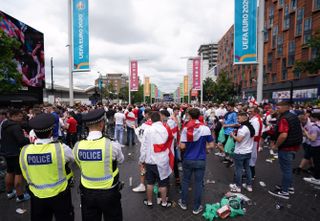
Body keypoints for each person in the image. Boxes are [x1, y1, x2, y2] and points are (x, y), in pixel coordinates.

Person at [19, 113, 74, 221]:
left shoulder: (24, 151)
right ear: (51, 131)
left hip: (36, 195)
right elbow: (72, 159)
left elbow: (25, 172)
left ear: (34, 132)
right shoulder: (61, 148)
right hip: (60, 194)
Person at [73, 109, 124, 221]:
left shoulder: (78, 146)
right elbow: (121, 160)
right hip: (109, 191)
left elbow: (79, 162)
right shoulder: (112, 145)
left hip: (87, 191)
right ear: (102, 124)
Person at [178, 108, 214, 215]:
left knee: (185, 181)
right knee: (198, 183)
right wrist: (205, 148)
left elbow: (182, 146)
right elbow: (212, 145)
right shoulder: (205, 128)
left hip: (188, 159)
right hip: (200, 159)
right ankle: (196, 207)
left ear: (189, 115)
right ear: (199, 116)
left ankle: (183, 203)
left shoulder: (185, 129)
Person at [268, 101, 303, 199]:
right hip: (293, 146)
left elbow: (283, 135)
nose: (277, 109)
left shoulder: (285, 118)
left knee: (286, 169)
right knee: (288, 168)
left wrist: (276, 145)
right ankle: (288, 186)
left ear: (286, 107)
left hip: (287, 147)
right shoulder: (293, 116)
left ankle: (284, 191)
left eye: (278, 107)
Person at [139, 111, 173, 208]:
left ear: (151, 119)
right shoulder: (166, 129)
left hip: (150, 160)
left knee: (150, 182)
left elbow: (144, 147)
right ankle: (164, 202)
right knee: (163, 183)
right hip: (162, 160)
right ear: (160, 118)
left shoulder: (148, 130)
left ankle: (149, 201)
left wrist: (142, 160)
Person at [0, 109, 30, 202]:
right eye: (20, 116)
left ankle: (9, 192)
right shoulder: (16, 127)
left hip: (6, 153)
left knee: (9, 171)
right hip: (15, 153)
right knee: (18, 173)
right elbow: (21, 141)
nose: (21, 118)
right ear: (14, 116)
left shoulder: (4, 124)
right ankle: (20, 196)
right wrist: (28, 139)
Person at [229, 112, 255, 193]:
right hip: (248, 151)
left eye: (238, 118)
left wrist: (232, 135)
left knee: (238, 169)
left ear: (244, 118)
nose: (237, 120)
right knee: (247, 168)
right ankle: (249, 185)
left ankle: (238, 186)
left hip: (240, 152)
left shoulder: (243, 128)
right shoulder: (250, 127)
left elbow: (239, 140)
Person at [132, 108, 152, 193]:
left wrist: (134, 128)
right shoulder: (159, 126)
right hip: (157, 152)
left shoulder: (145, 125)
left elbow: (140, 135)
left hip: (146, 151)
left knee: (142, 166)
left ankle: (142, 184)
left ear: (147, 114)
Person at [303, 110, 320, 185]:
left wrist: (306, 133)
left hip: (316, 146)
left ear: (315, 118)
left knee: (317, 162)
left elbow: (312, 139)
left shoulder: (314, 127)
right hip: (318, 145)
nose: (310, 118)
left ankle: (317, 178)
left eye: (311, 117)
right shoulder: (318, 125)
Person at [248, 107, 263, 179]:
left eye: (251, 111)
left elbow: (255, 133)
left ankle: (251, 174)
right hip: (253, 141)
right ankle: (250, 174)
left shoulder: (256, 120)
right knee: (251, 157)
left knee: (251, 157)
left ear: (255, 112)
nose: (249, 112)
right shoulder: (255, 119)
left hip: (253, 141)